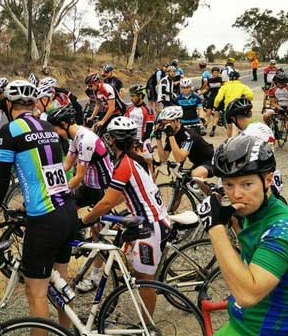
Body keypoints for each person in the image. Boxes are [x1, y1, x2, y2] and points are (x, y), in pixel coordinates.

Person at [194, 135, 288, 336]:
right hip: (238, 327)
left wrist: (215, 226)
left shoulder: (284, 229)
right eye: (229, 185)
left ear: (268, 179)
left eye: (247, 184)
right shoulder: (250, 212)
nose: (236, 193)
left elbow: (247, 295)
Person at [0, 80, 78, 336]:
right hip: (67, 210)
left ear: (9, 105)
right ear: (34, 104)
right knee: (60, 278)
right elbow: (48, 172)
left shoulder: (11, 130)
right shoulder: (47, 127)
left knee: (36, 292)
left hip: (45, 218)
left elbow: (0, 179)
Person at [82, 116, 170, 316]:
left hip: (150, 226)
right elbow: (125, 194)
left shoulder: (124, 164)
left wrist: (84, 220)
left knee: (145, 281)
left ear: (112, 140)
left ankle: (148, 327)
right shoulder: (134, 158)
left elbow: (107, 202)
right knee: (122, 241)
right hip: (153, 219)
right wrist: (101, 210)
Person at [47, 104, 113, 293]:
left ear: (65, 124)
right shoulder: (76, 137)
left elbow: (78, 177)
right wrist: (49, 180)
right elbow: (67, 165)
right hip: (89, 186)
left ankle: (94, 277)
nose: (57, 134)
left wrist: (58, 190)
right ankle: (76, 237)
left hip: (102, 187)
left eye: (57, 130)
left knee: (97, 234)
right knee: (67, 207)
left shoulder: (86, 139)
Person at [225, 98, 284, 197]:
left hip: (258, 177)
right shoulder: (262, 126)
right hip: (271, 172)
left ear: (235, 118)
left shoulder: (247, 135)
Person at [153, 106, 214, 179]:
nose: (166, 126)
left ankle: (210, 190)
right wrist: (158, 138)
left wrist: (171, 135)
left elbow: (179, 158)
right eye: (164, 124)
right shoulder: (171, 135)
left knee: (195, 174)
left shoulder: (188, 136)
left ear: (177, 121)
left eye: (168, 123)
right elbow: (163, 158)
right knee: (184, 181)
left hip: (211, 161)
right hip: (198, 163)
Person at [263, 71, 288, 155]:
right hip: (277, 106)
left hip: (287, 106)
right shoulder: (272, 90)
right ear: (276, 81)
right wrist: (280, 109)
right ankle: (269, 127)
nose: (280, 84)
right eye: (279, 82)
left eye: (283, 82)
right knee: (266, 115)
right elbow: (272, 103)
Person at [213, 70, 254, 139]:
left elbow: (218, 99)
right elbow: (250, 96)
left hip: (228, 109)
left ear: (229, 78)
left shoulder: (224, 87)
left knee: (229, 126)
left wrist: (215, 106)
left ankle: (230, 141)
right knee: (240, 126)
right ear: (238, 78)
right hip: (239, 108)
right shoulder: (242, 86)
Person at [199, 66, 223, 137]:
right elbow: (207, 89)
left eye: (216, 73)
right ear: (211, 73)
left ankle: (213, 130)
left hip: (218, 98)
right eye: (214, 73)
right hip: (211, 98)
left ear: (219, 73)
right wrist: (199, 93)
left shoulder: (221, 80)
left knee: (216, 114)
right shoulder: (210, 80)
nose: (215, 74)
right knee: (208, 113)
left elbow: (224, 88)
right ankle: (205, 129)